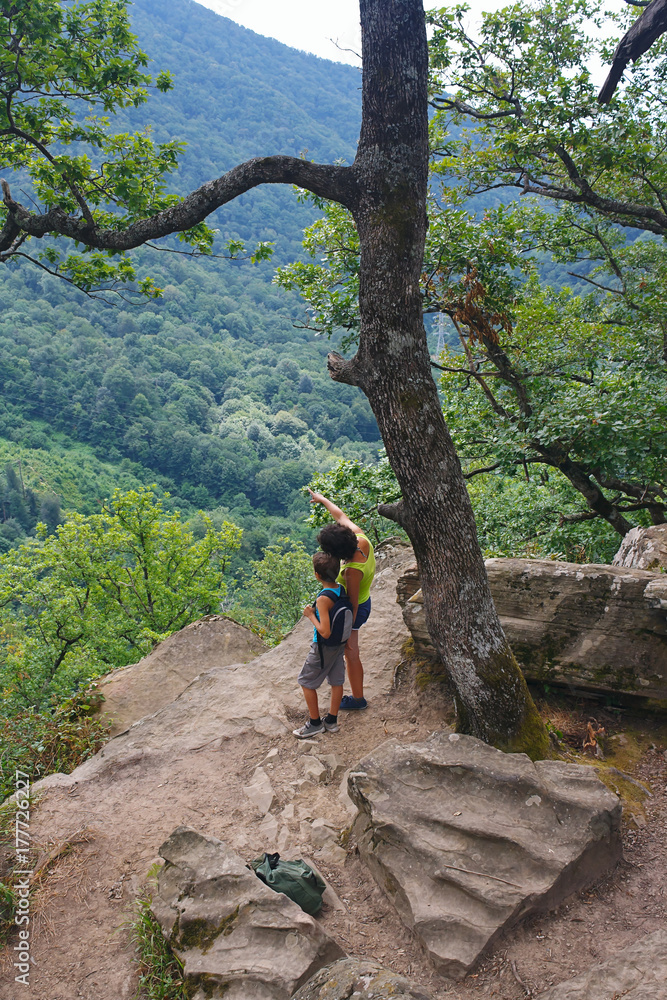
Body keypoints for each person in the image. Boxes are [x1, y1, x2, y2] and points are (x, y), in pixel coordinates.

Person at [307, 488, 375, 710]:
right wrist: (322, 499)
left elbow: (353, 603)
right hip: (364, 600)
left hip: (357, 609)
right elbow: (340, 516)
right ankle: (357, 696)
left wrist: (346, 634)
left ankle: (358, 699)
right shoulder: (360, 537)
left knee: (351, 653)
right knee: (350, 652)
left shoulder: (351, 572)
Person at [293, 551, 350, 739]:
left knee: (306, 682)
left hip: (323, 647)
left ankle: (315, 723)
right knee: (336, 681)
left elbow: (325, 631)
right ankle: (332, 721)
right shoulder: (341, 589)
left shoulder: (323, 599)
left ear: (317, 575)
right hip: (339, 645)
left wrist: (310, 615)